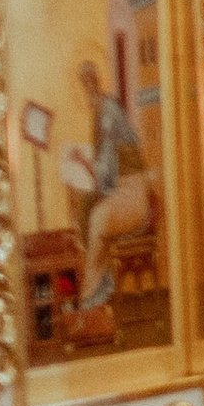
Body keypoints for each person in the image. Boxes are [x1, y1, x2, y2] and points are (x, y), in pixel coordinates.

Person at [67, 60, 154, 313]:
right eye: (84, 86)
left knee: (96, 219)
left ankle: (90, 298)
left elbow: (105, 171)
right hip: (121, 190)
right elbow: (104, 172)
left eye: (89, 84)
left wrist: (83, 162)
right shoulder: (101, 110)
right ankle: (99, 293)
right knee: (89, 214)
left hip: (133, 195)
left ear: (95, 83)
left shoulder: (108, 113)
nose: (87, 90)